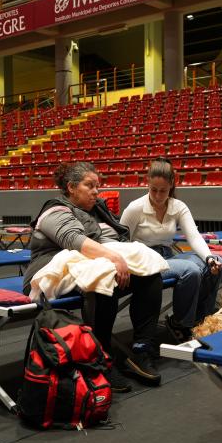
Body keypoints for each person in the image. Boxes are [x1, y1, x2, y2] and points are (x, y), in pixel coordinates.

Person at [23, 162, 164, 391]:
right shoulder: (54, 210)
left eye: (97, 186)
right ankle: (101, 359)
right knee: (104, 277)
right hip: (51, 270)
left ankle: (141, 348)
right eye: (90, 186)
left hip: (89, 264)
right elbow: (74, 241)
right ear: (71, 187)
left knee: (150, 275)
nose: (96, 191)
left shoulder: (96, 208)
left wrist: (125, 256)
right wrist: (115, 258)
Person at [120, 158, 222, 340]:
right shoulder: (134, 208)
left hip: (168, 256)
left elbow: (193, 237)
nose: (158, 196)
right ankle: (181, 323)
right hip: (144, 261)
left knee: (219, 261)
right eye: (154, 190)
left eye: (163, 191)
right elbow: (120, 242)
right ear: (147, 184)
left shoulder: (178, 206)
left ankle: (202, 320)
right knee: (190, 270)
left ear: (172, 186)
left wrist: (209, 258)